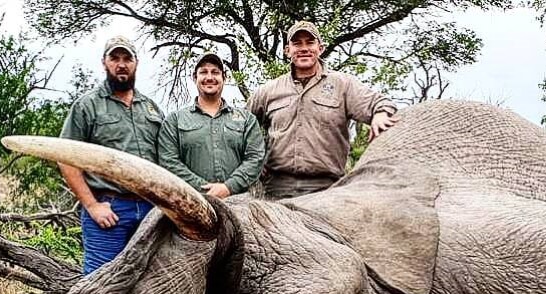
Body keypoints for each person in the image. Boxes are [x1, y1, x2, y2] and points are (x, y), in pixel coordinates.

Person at [247, 20, 399, 199]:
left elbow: (380, 103)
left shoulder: (343, 84)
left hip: (328, 189)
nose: (304, 48)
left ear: (321, 48)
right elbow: (242, 127)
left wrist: (380, 114)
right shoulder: (268, 90)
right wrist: (254, 158)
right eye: (297, 43)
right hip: (277, 188)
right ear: (287, 51)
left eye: (310, 43)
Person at [58, 35, 164, 274]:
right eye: (114, 58)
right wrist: (92, 205)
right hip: (109, 210)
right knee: (99, 284)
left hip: (150, 210)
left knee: (147, 283)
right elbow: (65, 158)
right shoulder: (87, 106)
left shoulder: (151, 108)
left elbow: (166, 158)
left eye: (127, 58)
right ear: (104, 63)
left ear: (136, 63)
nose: (121, 64)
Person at [158, 53, 264, 198]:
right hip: (192, 203)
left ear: (224, 78)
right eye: (203, 72)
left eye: (215, 72)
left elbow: (255, 158)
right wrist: (204, 190)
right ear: (194, 77)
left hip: (240, 204)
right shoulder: (174, 121)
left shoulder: (247, 120)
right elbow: (168, 161)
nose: (209, 77)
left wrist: (228, 187)